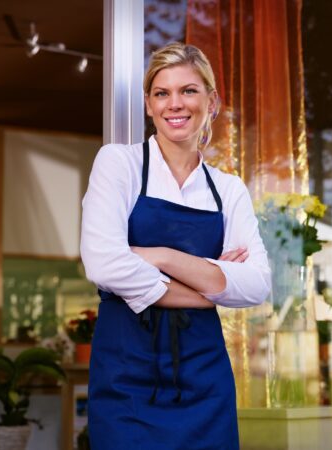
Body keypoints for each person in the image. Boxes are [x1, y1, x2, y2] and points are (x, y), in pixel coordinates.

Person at [80, 42, 271, 450]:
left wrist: (162, 256)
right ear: (149, 105)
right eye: (161, 93)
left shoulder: (228, 190)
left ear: (211, 101)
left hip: (205, 377)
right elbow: (103, 264)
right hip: (126, 374)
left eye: (188, 90)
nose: (174, 104)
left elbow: (256, 284)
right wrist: (207, 286)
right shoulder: (119, 164)